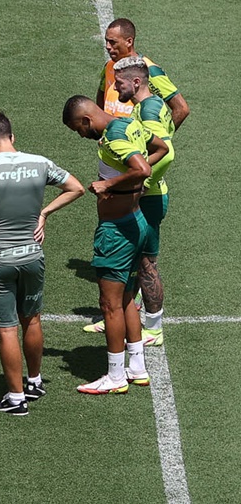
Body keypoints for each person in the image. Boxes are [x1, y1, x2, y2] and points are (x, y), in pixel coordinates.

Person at [0, 113, 85, 415]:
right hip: (32, 255)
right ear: (12, 136)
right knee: (31, 320)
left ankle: (16, 398)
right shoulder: (40, 163)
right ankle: (33, 382)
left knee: (7, 329)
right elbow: (76, 188)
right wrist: (44, 213)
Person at [63, 96, 168, 394]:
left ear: (86, 120)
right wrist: (131, 183)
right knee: (124, 299)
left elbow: (142, 169)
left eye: (78, 129)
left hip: (117, 231)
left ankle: (115, 375)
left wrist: (109, 185)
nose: (80, 135)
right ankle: (137, 368)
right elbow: (160, 148)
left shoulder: (113, 139)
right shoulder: (128, 124)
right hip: (137, 221)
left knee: (109, 305)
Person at [84, 57, 176, 345]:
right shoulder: (147, 106)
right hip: (146, 194)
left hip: (148, 198)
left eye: (119, 83)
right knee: (136, 261)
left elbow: (166, 152)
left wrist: (140, 182)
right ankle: (127, 314)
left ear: (136, 82)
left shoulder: (148, 108)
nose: (114, 88)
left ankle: (154, 327)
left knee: (146, 263)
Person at [97, 18, 189, 129]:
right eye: (106, 41)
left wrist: (160, 139)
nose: (107, 46)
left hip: (135, 143)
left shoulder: (149, 71)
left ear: (129, 42)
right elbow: (102, 94)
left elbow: (181, 108)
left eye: (113, 42)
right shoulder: (109, 66)